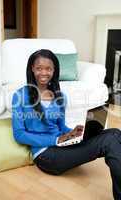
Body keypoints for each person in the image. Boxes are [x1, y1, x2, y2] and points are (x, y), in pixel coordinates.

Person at [12, 49, 121, 200]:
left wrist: (73, 133)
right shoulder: (19, 96)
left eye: (48, 68)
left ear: (54, 70)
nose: (44, 72)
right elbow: (19, 134)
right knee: (109, 141)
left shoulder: (60, 96)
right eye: (39, 68)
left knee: (114, 132)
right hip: (46, 155)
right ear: (32, 68)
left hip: (63, 146)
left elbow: (61, 127)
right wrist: (56, 140)